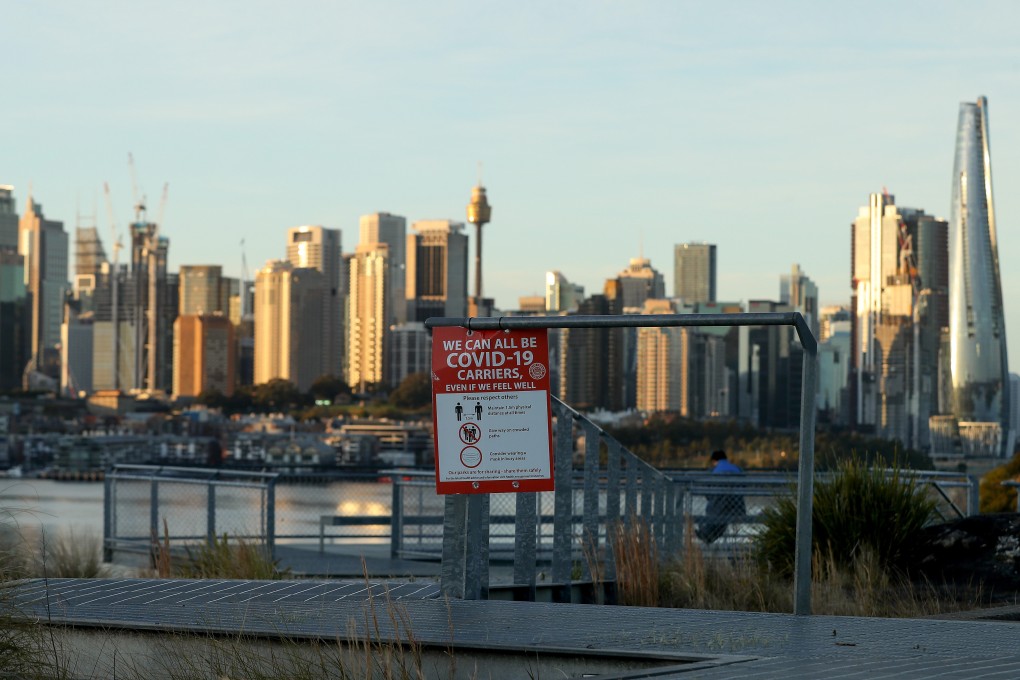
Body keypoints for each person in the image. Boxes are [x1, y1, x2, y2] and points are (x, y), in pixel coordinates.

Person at [696, 450, 746, 544]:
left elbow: (708, 490)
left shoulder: (714, 471)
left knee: (715, 521)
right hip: (737, 506)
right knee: (722, 523)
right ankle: (707, 535)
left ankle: (706, 535)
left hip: (718, 506)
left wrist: (710, 498)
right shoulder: (737, 469)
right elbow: (744, 485)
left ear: (715, 461)